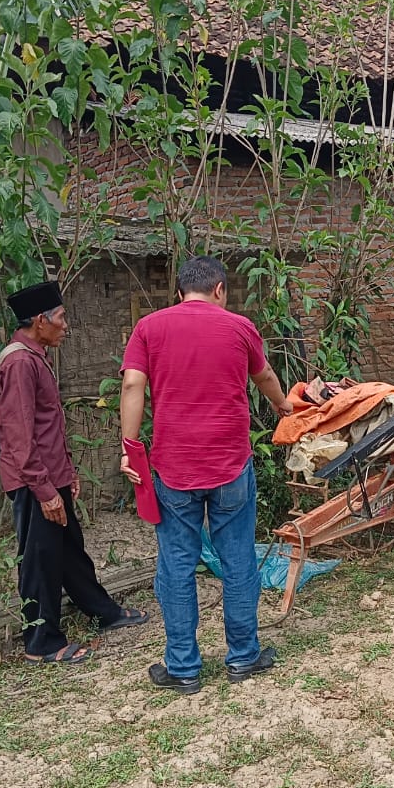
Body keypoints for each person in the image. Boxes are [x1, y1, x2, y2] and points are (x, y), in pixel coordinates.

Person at [119, 256, 294, 694]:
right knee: (237, 558)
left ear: (179, 293)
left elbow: (131, 385)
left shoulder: (149, 328)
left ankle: (183, 668)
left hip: (173, 467)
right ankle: (243, 656)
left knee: (177, 564)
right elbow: (266, 375)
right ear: (219, 290)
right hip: (231, 464)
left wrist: (130, 448)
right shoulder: (239, 327)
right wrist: (283, 408)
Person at [0, 280, 149, 664]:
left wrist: (66, 473)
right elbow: (18, 435)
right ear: (39, 321)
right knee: (41, 559)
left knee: (69, 551)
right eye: (60, 318)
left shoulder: (35, 356)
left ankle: (102, 612)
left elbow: (46, 426)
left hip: (50, 475)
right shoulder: (18, 363)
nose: (66, 326)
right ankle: (41, 641)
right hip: (34, 482)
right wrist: (45, 489)